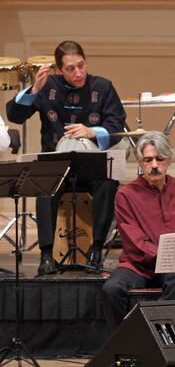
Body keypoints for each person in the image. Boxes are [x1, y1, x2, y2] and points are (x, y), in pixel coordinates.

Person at [5, 40, 126, 275]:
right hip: (57, 165)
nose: (78, 73)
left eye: (81, 65)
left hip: (91, 164)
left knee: (108, 182)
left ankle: (96, 251)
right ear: (59, 70)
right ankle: (46, 256)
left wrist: (92, 132)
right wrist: (34, 91)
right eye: (71, 68)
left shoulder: (103, 87)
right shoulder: (47, 86)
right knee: (43, 184)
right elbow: (15, 115)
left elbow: (117, 124)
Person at [101, 131, 175, 330]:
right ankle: (125, 341)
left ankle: (152, 333)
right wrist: (166, 257)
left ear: (169, 160)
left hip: (174, 266)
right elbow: (135, 242)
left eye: (160, 159)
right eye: (148, 160)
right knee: (111, 290)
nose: (154, 165)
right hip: (138, 265)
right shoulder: (125, 195)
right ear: (140, 162)